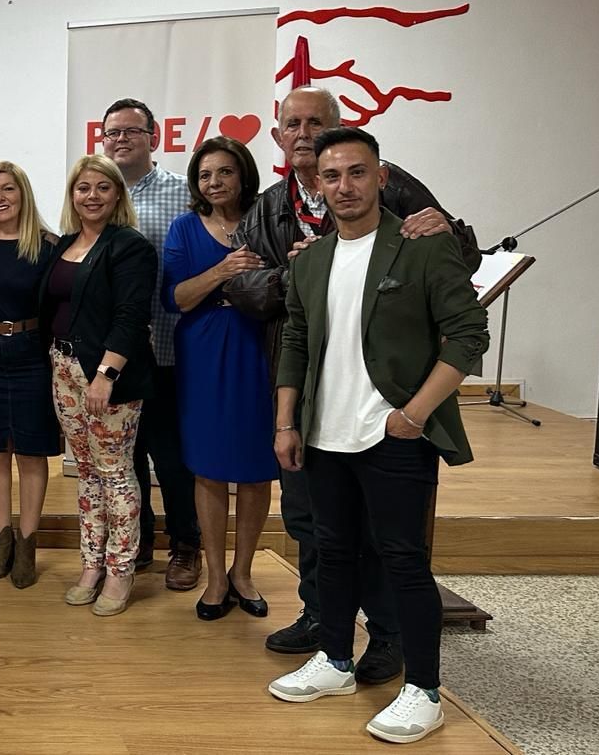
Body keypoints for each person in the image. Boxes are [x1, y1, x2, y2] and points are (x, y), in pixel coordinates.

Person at [227, 86, 479, 679]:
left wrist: (447, 228)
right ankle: (326, 625)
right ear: (279, 137)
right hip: (315, 402)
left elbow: (460, 269)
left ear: (376, 174)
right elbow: (244, 288)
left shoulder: (401, 194)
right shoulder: (268, 208)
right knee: (315, 528)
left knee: (389, 542)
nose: (305, 134)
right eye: (293, 124)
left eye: (316, 122)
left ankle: (389, 638)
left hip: (389, 408)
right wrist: (295, 279)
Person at [266, 127, 488, 745]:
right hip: (323, 435)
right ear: (317, 185)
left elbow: (469, 334)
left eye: (358, 172)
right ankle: (336, 659)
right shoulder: (310, 260)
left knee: (403, 561)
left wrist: (413, 414)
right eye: (332, 176)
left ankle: (424, 691)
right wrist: (286, 422)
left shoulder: (422, 247)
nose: (345, 186)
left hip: (394, 433)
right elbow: (295, 342)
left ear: (381, 177)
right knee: (333, 552)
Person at [161, 137, 277, 621]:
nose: (215, 182)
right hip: (204, 350)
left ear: (243, 174)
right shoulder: (184, 228)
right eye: (205, 175)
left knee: (256, 465)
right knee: (208, 467)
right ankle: (214, 576)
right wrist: (223, 270)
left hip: (260, 347)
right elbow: (176, 298)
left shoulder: (267, 220)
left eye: (225, 172)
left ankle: (243, 572)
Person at [42, 154, 156, 617]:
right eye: (83, 187)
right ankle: (91, 565)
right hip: (63, 368)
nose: (92, 196)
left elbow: (131, 316)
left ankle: (121, 570)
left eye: (102, 187)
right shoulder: (66, 244)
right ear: (72, 194)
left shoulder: (129, 245)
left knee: (115, 472)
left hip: (107, 375)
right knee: (86, 472)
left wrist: (105, 375)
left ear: (117, 194)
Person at [100, 98, 202, 589]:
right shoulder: (95, 194)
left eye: (131, 131)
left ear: (153, 138)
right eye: (112, 133)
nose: (120, 140)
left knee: (173, 457)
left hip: (169, 349)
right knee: (127, 456)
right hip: (115, 356)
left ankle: (186, 545)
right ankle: (137, 540)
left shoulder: (184, 193)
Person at [0, 162, 60, 588]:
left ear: (23, 194)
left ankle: (26, 543)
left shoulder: (48, 246)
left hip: (30, 353)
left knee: (31, 451)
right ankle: (1, 539)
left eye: (8, 189)